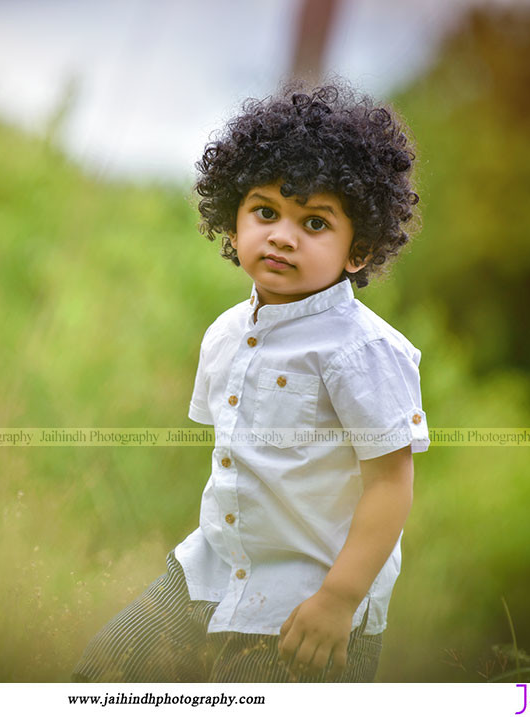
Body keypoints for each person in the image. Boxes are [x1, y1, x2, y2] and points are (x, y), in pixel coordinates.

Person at [72, 79, 429, 683]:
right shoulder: (226, 333)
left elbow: (390, 486)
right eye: (265, 212)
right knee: (101, 677)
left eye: (315, 223)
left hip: (308, 603)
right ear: (233, 224)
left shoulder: (362, 351)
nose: (283, 236)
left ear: (358, 250)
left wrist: (339, 601)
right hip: (208, 575)